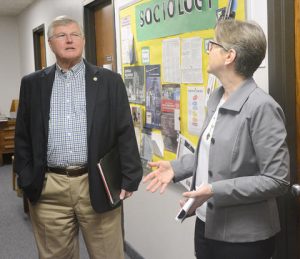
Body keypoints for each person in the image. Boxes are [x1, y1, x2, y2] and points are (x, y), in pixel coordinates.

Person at [143, 19, 290, 259]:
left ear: (229, 56)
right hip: (206, 224)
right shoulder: (217, 98)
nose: (208, 49)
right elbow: (215, 154)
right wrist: (176, 167)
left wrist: (213, 190)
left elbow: (277, 180)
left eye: (212, 44)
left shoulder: (262, 107)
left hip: (245, 239)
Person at [14, 16, 143, 259]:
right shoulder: (32, 84)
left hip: (96, 182)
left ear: (83, 41)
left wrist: (129, 177)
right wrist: (26, 175)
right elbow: (23, 135)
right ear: (50, 44)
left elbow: (124, 130)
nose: (70, 39)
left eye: (75, 34)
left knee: (108, 255)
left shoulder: (109, 82)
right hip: (49, 185)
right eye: (62, 35)